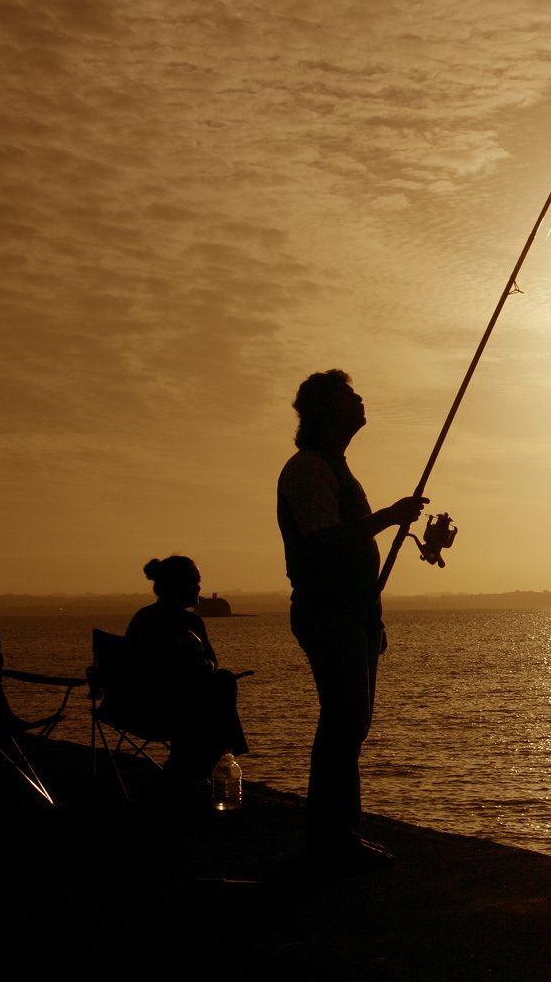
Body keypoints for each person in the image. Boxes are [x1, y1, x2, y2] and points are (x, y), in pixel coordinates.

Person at [277, 369, 425, 872]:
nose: (360, 401)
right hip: (328, 614)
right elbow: (323, 542)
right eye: (349, 397)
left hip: (354, 616)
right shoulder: (307, 470)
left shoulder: (336, 468)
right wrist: (388, 516)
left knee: (351, 725)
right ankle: (332, 840)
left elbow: (349, 543)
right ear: (325, 411)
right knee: (342, 726)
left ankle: (339, 835)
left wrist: (371, 618)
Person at [124, 555, 249, 808]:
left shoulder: (193, 622)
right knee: (218, 690)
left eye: (198, 582)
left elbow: (211, 662)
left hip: (184, 706)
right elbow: (147, 673)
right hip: (153, 707)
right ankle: (212, 763)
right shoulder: (149, 621)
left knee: (219, 684)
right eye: (191, 583)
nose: (198, 589)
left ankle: (187, 773)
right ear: (172, 586)